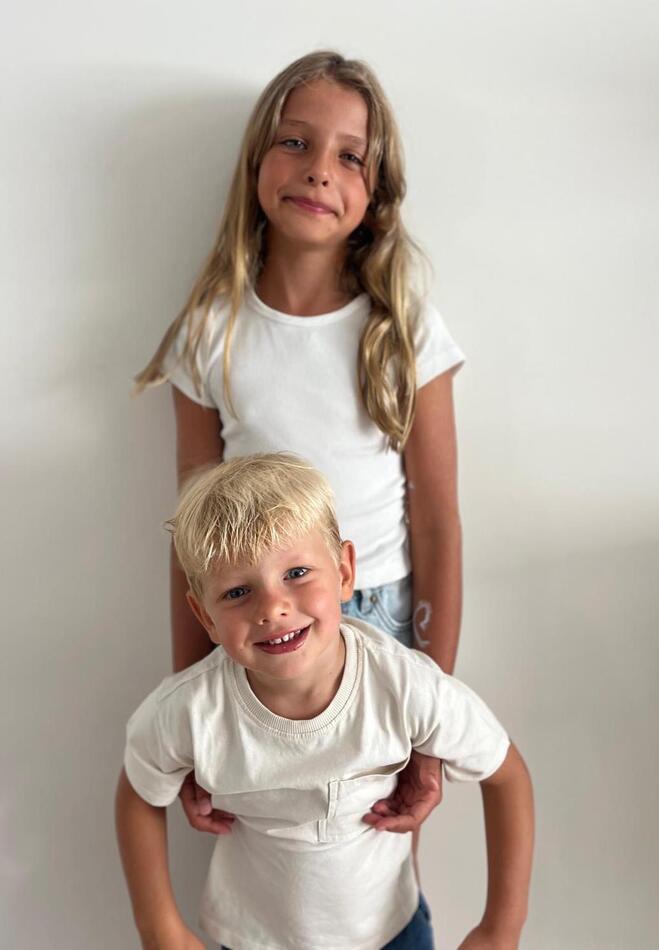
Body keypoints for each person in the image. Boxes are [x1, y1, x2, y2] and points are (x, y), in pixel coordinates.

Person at [134, 49, 464, 837]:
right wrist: (187, 708)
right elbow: (194, 536)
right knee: (269, 838)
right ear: (257, 159)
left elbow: (437, 521)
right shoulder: (209, 335)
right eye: (295, 142)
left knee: (377, 842)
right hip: (258, 621)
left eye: (350, 156)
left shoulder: (402, 330)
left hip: (380, 615)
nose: (318, 169)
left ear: (375, 193)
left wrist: (433, 714)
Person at [116, 453, 534, 950]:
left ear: (344, 571)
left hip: (391, 934)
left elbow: (506, 774)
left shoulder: (404, 685)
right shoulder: (191, 710)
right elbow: (138, 792)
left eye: (296, 572)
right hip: (252, 940)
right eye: (238, 592)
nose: (273, 607)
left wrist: (500, 930)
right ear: (204, 616)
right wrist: (160, 927)